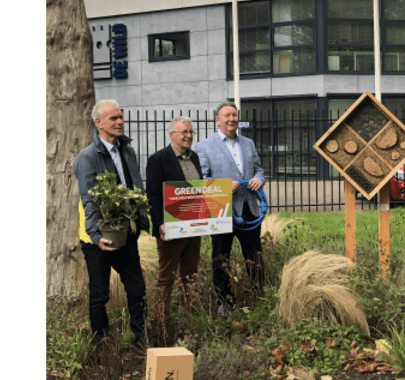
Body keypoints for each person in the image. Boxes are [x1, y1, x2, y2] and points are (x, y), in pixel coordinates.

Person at [73, 99, 149, 347]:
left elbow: (135, 188)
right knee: (100, 295)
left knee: (137, 289)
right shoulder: (87, 157)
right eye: (113, 118)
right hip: (98, 241)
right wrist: (96, 235)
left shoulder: (127, 151)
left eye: (120, 117)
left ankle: (140, 338)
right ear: (98, 123)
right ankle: (102, 343)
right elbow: (89, 199)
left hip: (125, 235)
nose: (120, 122)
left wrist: (144, 222)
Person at [194, 101, 266, 316]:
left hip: (249, 210)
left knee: (254, 257)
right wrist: (223, 186)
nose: (231, 119)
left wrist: (257, 179)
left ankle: (259, 297)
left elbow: (260, 170)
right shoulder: (204, 147)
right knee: (221, 258)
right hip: (221, 211)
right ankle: (225, 304)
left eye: (234, 115)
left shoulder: (248, 144)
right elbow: (202, 180)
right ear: (217, 120)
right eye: (226, 116)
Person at [145, 117, 203, 341]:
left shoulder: (194, 157)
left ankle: (188, 314)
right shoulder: (158, 160)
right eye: (183, 132)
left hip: (193, 226)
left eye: (190, 132)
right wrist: (160, 223)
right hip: (170, 228)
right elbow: (153, 195)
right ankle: (162, 319)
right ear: (172, 135)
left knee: (190, 273)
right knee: (166, 275)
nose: (188, 135)